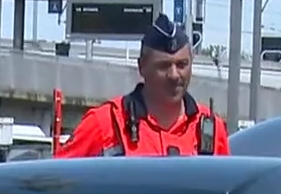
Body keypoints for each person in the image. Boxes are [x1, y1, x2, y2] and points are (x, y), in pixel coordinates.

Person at [55, 14, 230, 158]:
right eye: (163, 66)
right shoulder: (106, 123)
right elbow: (55, 180)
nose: (174, 75)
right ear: (142, 67)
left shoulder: (211, 128)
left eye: (182, 64)